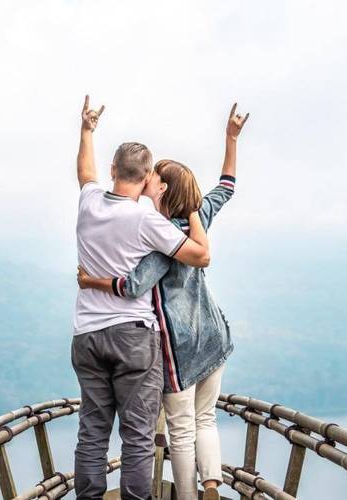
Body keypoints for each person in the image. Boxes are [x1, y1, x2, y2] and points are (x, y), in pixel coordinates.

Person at [78, 103, 250, 500]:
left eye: (157, 180)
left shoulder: (159, 236)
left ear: (162, 189)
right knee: (206, 419)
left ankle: (190, 496)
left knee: (182, 429)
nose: (151, 184)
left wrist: (90, 279)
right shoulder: (199, 214)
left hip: (179, 346)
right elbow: (227, 185)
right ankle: (212, 485)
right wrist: (231, 138)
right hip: (215, 338)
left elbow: (132, 285)